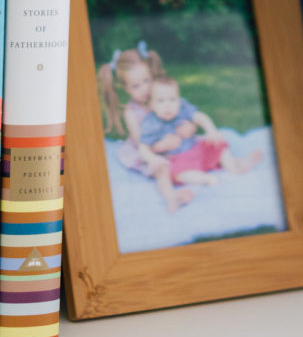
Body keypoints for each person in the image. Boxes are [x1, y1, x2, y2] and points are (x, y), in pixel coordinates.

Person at [97, 43, 193, 214]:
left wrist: (188, 126)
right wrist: (161, 147)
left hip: (170, 141)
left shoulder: (160, 97)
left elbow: (181, 115)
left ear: (152, 75)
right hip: (145, 150)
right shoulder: (132, 112)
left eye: (146, 81)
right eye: (135, 86)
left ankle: (232, 165)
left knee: (198, 146)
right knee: (161, 169)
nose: (144, 89)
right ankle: (172, 197)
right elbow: (141, 142)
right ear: (125, 88)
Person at [140, 74, 263, 190]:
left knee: (217, 143)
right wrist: (152, 158)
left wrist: (211, 130)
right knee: (175, 173)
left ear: (179, 100)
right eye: (161, 101)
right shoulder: (151, 123)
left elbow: (199, 117)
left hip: (196, 149)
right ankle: (204, 178)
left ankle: (233, 167)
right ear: (151, 104)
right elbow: (143, 147)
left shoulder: (183, 108)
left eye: (172, 99)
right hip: (178, 159)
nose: (168, 105)